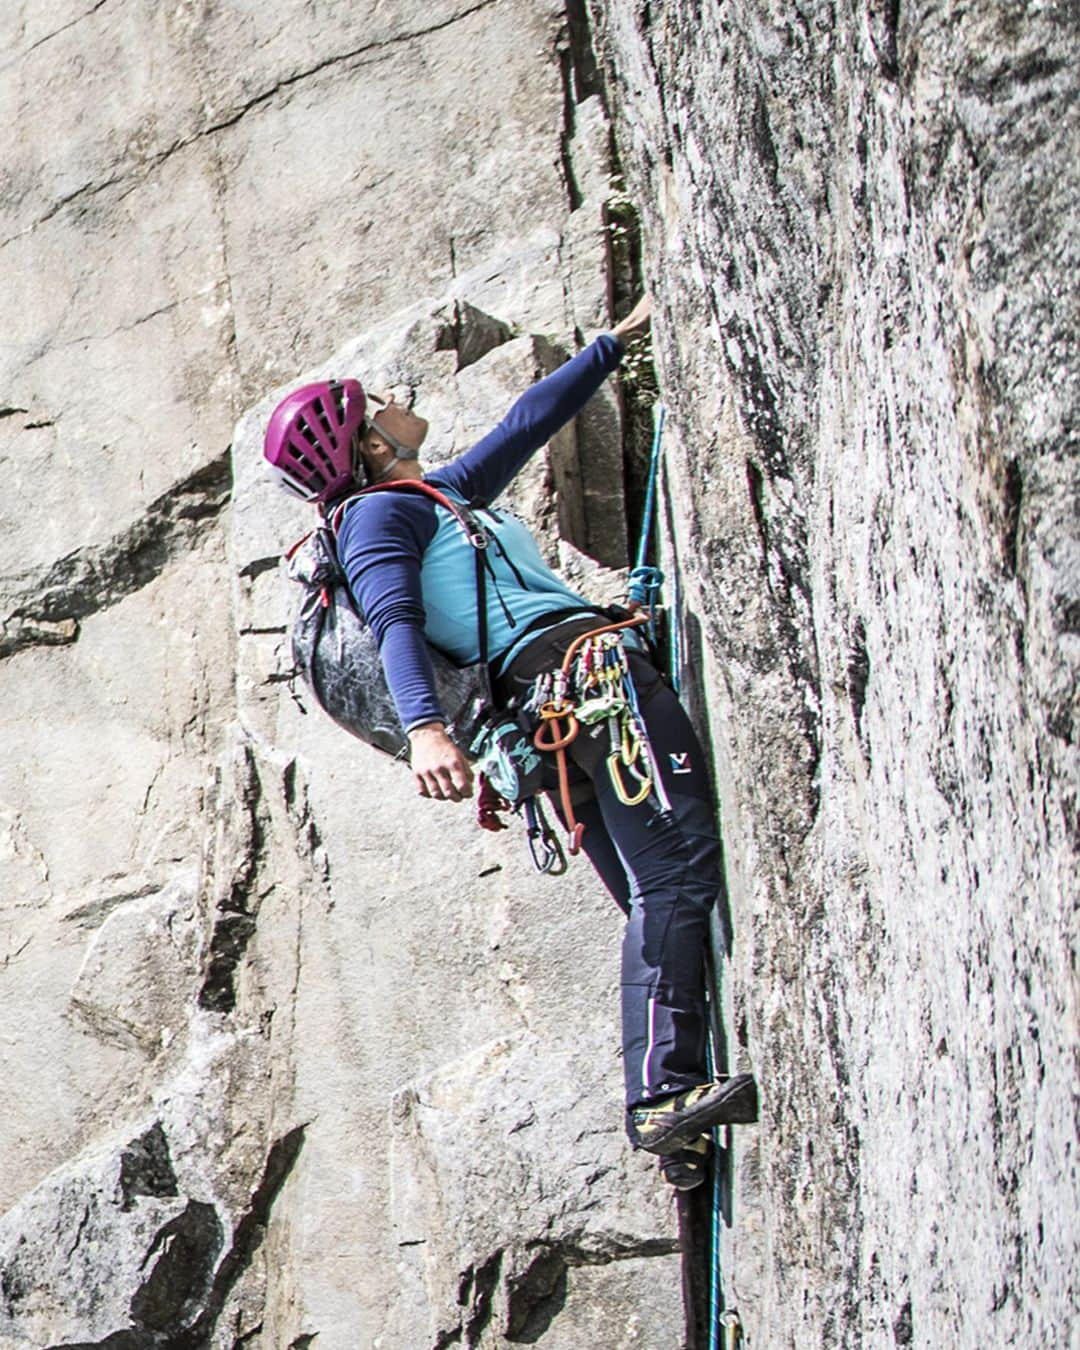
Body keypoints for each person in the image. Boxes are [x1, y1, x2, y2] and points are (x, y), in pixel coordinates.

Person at [264, 297, 757, 1188]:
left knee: (657, 889)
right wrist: (423, 731)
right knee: (677, 870)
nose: (394, 405)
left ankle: (669, 1113)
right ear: (372, 446)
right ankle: (662, 1098)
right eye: (377, 407)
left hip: (561, 704)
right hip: (581, 679)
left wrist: (614, 343)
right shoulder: (381, 520)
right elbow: (395, 622)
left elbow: (524, 425)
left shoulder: (435, 495)